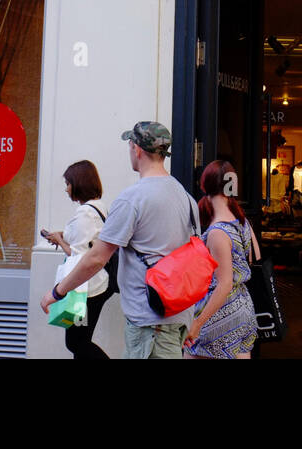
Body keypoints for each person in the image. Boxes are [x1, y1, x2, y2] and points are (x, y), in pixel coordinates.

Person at [39, 121, 201, 359]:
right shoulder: (185, 197)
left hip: (150, 323)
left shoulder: (132, 199)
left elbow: (95, 258)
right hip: (179, 317)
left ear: (136, 149)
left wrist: (58, 291)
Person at [184, 160, 259, 359]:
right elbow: (254, 257)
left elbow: (224, 284)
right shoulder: (242, 221)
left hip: (219, 313)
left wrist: (197, 324)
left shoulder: (218, 232)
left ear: (205, 185)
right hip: (244, 308)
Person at [43, 160, 111, 359]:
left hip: (87, 288)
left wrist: (59, 240)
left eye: (68, 183)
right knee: (80, 343)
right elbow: (91, 240)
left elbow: (79, 257)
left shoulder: (85, 214)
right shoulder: (98, 208)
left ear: (78, 183)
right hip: (94, 285)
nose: (66, 189)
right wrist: (64, 234)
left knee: (76, 342)